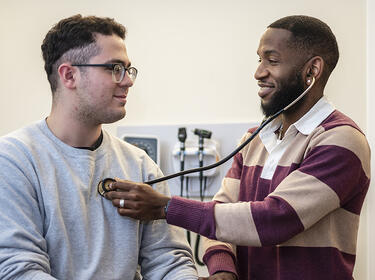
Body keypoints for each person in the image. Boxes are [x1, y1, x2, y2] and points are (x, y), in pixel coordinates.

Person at [104, 15, 371, 280]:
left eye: (272, 60)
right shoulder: (254, 139)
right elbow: (224, 215)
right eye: (259, 60)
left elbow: (276, 220)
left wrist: (165, 207)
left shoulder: (341, 140)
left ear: (312, 71)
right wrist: (223, 270)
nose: (258, 73)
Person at [0, 14, 198, 280]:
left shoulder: (139, 165)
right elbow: (20, 270)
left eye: (128, 70)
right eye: (114, 68)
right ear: (69, 75)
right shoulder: (14, 161)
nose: (127, 81)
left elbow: (169, 261)